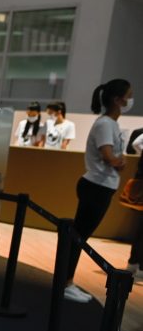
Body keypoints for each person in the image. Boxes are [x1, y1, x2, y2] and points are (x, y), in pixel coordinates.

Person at [63, 79, 133, 303]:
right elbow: (109, 156)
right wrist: (119, 162)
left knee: (80, 236)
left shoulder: (109, 124)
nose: (130, 100)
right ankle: (65, 282)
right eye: (128, 95)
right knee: (79, 237)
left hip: (100, 187)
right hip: (96, 187)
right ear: (117, 99)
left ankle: (67, 280)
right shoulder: (105, 124)